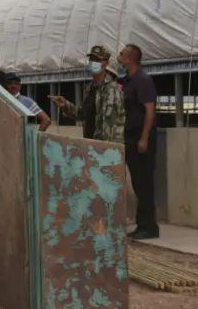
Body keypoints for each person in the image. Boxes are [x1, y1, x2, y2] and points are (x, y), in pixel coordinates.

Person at [117, 44, 158, 240]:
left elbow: (150, 111)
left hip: (140, 137)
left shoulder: (143, 80)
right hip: (130, 136)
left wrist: (144, 138)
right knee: (138, 182)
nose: (119, 57)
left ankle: (149, 226)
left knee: (144, 183)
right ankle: (142, 224)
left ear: (130, 59)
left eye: (122, 54)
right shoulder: (128, 81)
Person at [48, 46, 125, 143]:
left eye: (98, 60)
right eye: (91, 59)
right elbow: (82, 114)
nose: (93, 63)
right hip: (91, 145)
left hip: (105, 148)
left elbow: (109, 125)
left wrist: (103, 149)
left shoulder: (111, 89)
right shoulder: (90, 88)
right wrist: (65, 105)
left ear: (106, 63)